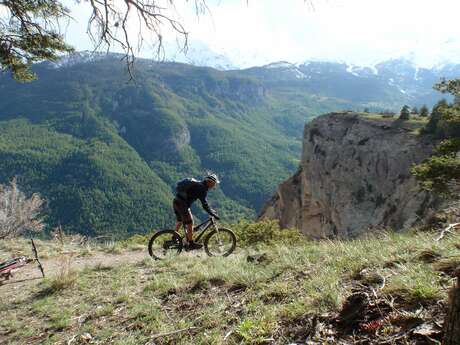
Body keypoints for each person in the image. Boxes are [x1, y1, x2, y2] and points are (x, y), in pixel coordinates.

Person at [173, 174, 220, 250]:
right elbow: (205, 205)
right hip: (182, 204)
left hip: (176, 201)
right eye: (214, 184)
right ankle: (191, 243)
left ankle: (174, 237)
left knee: (180, 220)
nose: (214, 186)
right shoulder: (202, 189)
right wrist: (213, 214)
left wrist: (211, 211)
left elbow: (205, 204)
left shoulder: (199, 184)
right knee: (190, 222)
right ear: (210, 182)